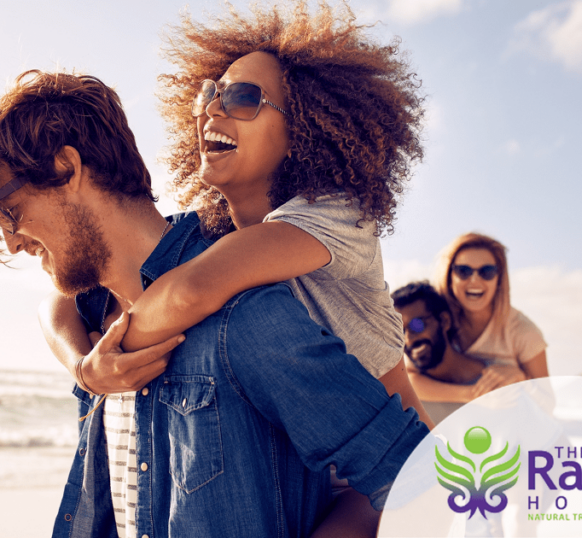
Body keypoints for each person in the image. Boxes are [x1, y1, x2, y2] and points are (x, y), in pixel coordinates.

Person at [0, 68, 429, 537]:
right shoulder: (95, 323)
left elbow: (412, 472)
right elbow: (54, 310)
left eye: (11, 211)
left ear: (67, 168)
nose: (12, 241)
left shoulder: (243, 313)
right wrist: (86, 371)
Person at [39, 4, 430, 535]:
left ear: (306, 131)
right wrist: (81, 363)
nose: (211, 111)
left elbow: (188, 290)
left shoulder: (338, 217)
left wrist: (111, 362)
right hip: (300, 472)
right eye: (209, 94)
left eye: (243, 97)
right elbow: (65, 299)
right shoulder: (217, 237)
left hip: (374, 485)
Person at [407, 233, 549, 404]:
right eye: (463, 271)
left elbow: (547, 403)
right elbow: (408, 379)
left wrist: (521, 378)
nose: (474, 280)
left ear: (499, 279)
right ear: (449, 276)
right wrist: (470, 395)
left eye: (487, 272)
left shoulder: (523, 332)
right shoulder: (436, 320)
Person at [391, 281, 488, 424]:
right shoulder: (404, 402)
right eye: (399, 332)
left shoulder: (498, 380)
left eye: (417, 325)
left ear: (444, 321)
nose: (409, 340)